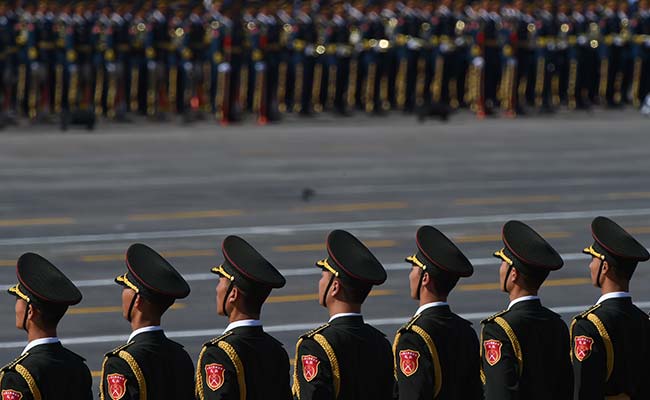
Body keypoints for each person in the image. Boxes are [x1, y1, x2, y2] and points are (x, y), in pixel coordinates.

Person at [292, 229, 394, 400]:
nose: (320, 282)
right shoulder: (381, 342)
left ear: (335, 287)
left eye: (323, 276)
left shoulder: (316, 346)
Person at [482, 220, 572, 400]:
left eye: (503, 263)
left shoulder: (499, 329)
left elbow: (500, 393)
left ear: (513, 274)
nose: (500, 269)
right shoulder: (557, 324)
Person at [196, 235, 292, 400]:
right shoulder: (276, 350)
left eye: (221, 282)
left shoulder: (218, 354)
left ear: (232, 294)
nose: (217, 289)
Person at [393, 226, 483, 400]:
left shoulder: (413, 337)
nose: (410, 275)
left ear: (425, 278)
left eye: (413, 268)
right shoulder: (466, 330)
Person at [99, 243, 194, 400]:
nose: (123, 294)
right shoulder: (180, 355)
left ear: (138, 300)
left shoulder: (121, 362)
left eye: (126, 287)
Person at [571, 216, 650, 399]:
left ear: (604, 267)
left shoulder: (588, 326)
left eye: (593, 259)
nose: (591, 266)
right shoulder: (643, 320)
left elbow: (584, 390)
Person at [1, 252, 92, 399]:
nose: (16, 306)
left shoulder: (18, 377)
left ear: (30, 311)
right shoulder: (79, 368)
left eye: (18, 299)